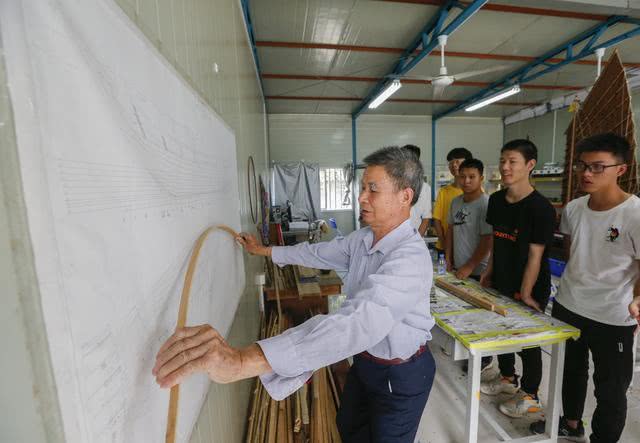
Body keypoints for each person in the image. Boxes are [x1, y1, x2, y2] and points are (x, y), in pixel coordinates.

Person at [152, 146, 436, 442]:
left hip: (401, 373)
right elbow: (315, 253)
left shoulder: (410, 258)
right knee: (349, 428)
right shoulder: (362, 239)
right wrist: (264, 250)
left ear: (405, 196)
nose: (361, 197)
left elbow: (358, 322)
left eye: (373, 189)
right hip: (366, 363)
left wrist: (243, 361)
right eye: (362, 187)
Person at [530, 133, 640, 443]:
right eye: (582, 166)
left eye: (597, 167)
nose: (586, 173)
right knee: (570, 371)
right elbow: (572, 252)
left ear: (621, 169)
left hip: (613, 314)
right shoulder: (574, 208)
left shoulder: (634, 214)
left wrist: (637, 297)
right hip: (569, 305)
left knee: (611, 387)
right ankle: (571, 423)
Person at [479, 139, 556, 418]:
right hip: (501, 278)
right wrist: (489, 272)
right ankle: (508, 377)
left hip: (531, 285)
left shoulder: (541, 208)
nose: (505, 167)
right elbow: (498, 241)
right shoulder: (497, 200)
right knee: (501, 331)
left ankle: (531, 395)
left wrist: (525, 293)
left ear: (530, 165)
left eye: (512, 161)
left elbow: (536, 256)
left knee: (528, 341)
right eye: (503, 161)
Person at [445, 158, 493, 374]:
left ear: (481, 178)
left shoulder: (485, 204)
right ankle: (468, 350)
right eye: (462, 176)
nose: (466, 181)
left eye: (472, 177)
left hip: (478, 271)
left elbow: (487, 240)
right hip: (458, 268)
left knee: (480, 317)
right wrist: (448, 258)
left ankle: (484, 358)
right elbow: (450, 231)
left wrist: (470, 266)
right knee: (462, 314)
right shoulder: (456, 202)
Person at [433, 147, 473, 253]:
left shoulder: (476, 192)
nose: (454, 165)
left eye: (457, 161)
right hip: (444, 246)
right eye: (451, 162)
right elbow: (437, 219)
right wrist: (444, 243)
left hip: (466, 248)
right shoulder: (444, 191)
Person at [403, 145, 432, 237]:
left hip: (415, 236)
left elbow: (426, 218)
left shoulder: (425, 188)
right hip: (393, 238)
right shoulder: (392, 185)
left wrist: (417, 240)